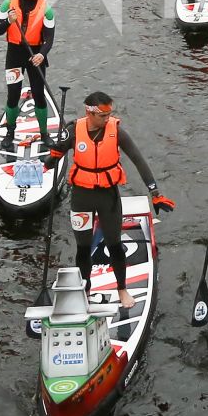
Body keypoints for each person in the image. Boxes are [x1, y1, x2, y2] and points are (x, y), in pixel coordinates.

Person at [51, 93, 161, 309]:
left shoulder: (116, 131)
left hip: (108, 197)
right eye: (103, 115)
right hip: (81, 198)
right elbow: (54, 156)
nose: (107, 119)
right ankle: (86, 289)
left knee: (115, 245)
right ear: (89, 112)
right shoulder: (73, 130)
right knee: (83, 248)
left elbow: (138, 160)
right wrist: (48, 158)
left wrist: (155, 192)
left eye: (110, 114)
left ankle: (122, 289)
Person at [0, 0, 55, 151]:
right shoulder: (7, 4)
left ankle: (44, 134)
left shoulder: (47, 9)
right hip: (15, 54)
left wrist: (42, 54)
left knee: (38, 95)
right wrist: (9, 22)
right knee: (13, 95)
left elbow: (50, 38)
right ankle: (10, 132)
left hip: (36, 55)